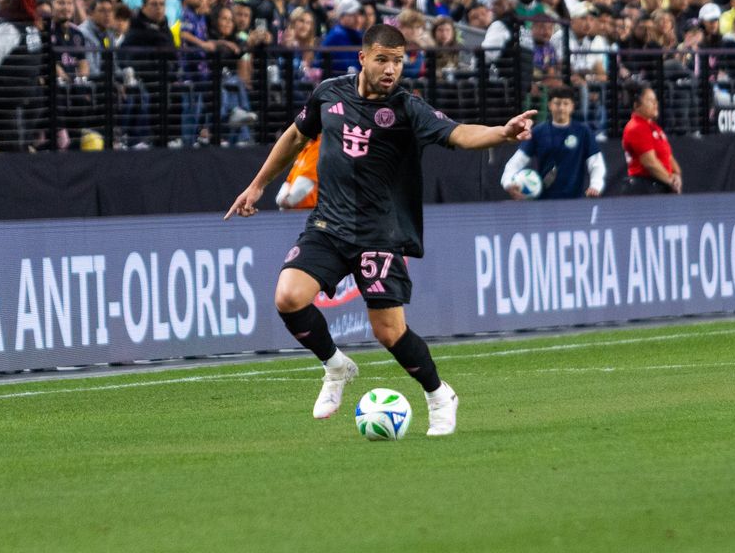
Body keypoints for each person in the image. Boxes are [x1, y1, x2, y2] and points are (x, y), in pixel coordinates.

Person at [225, 24, 536, 435]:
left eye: (398, 61)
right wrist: (257, 184)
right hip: (329, 225)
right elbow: (296, 136)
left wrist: (500, 132)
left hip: (380, 234)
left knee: (388, 332)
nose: (391, 69)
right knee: (288, 296)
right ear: (363, 58)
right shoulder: (329, 94)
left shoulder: (408, 108)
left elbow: (458, 134)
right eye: (383, 59)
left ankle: (439, 394)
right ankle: (336, 366)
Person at [500, 87, 605, 199]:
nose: (561, 108)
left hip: (575, 200)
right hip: (545, 201)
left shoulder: (583, 132)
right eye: (557, 103)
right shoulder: (538, 132)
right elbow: (516, 161)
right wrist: (508, 183)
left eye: (565, 103)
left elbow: (596, 163)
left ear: (572, 106)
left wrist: (596, 186)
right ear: (550, 105)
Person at [621, 85, 682, 195]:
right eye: (650, 100)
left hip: (661, 184)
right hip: (644, 188)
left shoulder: (654, 127)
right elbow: (649, 162)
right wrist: (671, 180)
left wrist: (677, 175)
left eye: (655, 100)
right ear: (636, 106)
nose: (655, 104)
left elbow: (668, 156)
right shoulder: (636, 127)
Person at [276, 136, 321, 210]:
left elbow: (308, 180)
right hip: (297, 210)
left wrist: (287, 201)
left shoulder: (319, 147)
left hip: (310, 211)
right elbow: (289, 181)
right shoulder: (306, 147)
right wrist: (281, 198)